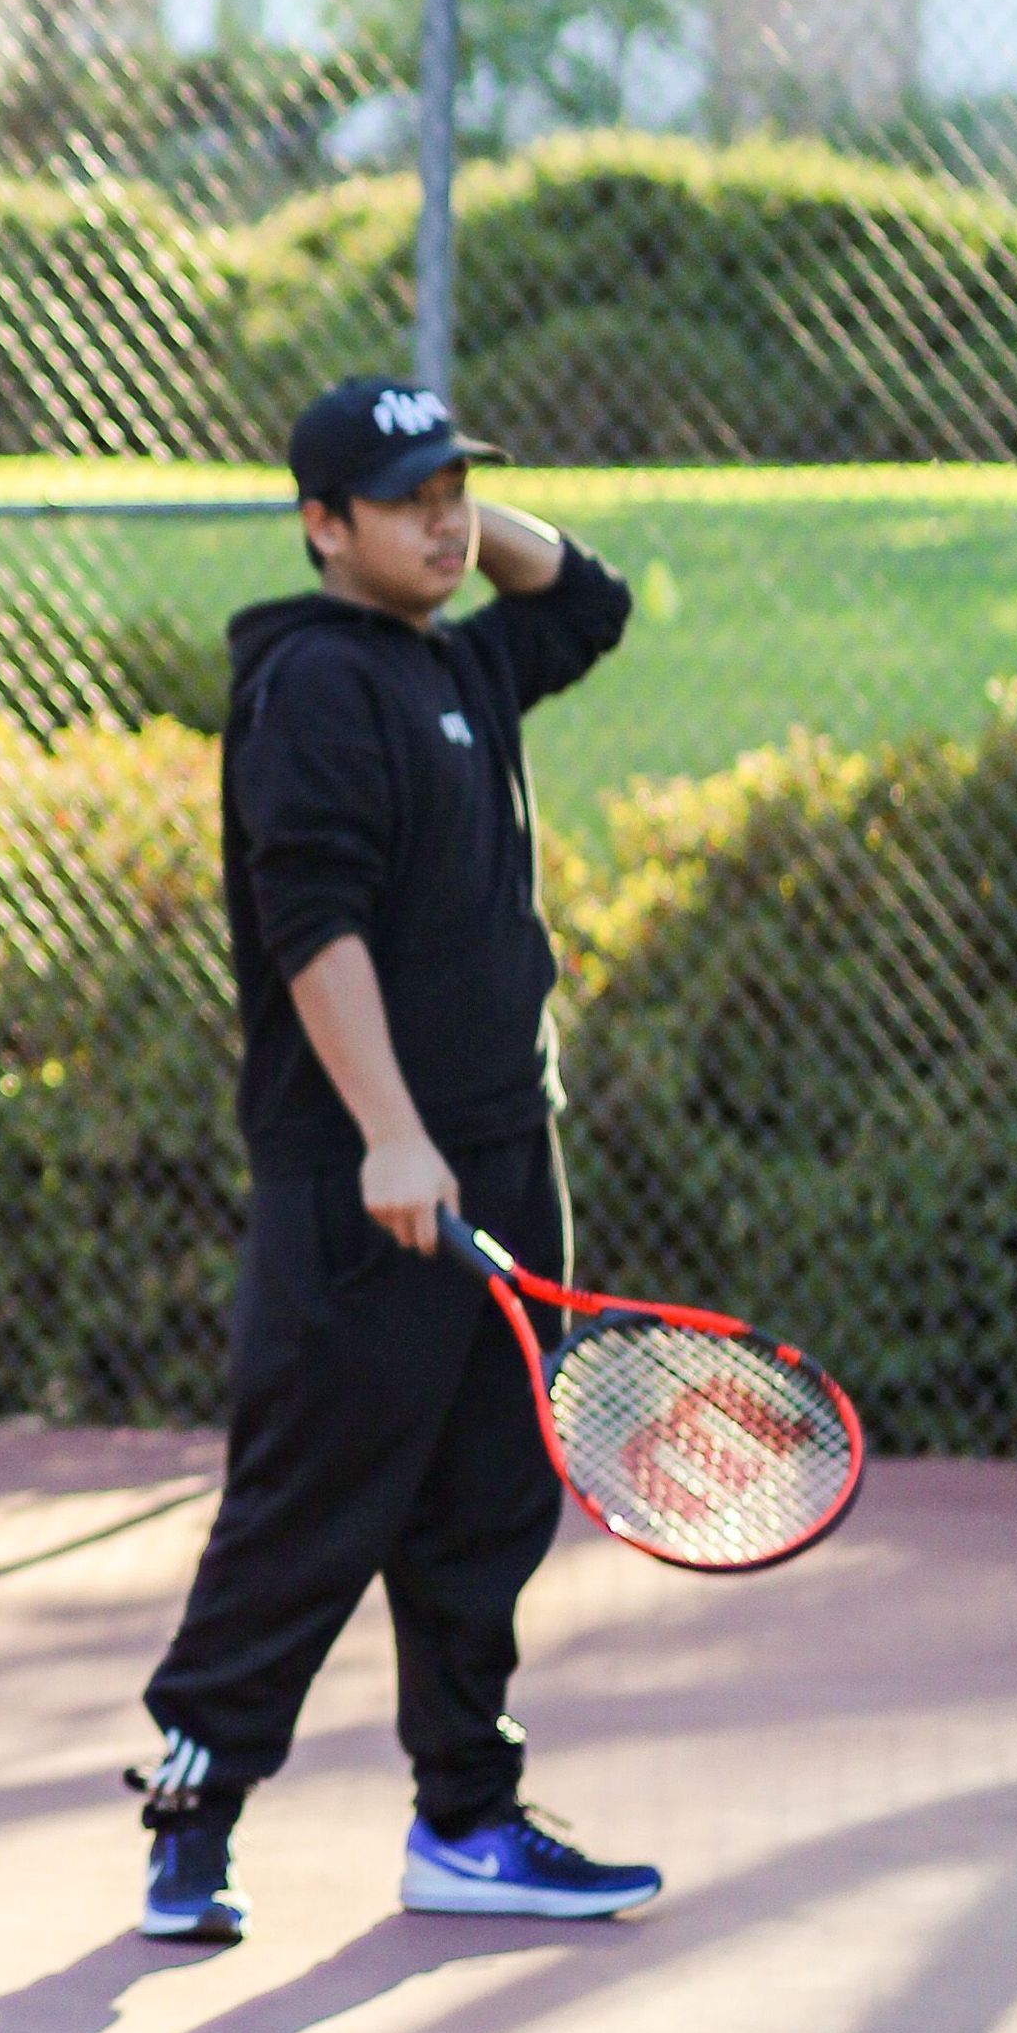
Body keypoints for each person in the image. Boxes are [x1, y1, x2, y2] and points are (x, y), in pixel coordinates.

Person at [131, 371, 660, 1952]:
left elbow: (596, 602)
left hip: (501, 1152)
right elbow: (315, 923)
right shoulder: (310, 689)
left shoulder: (457, 666)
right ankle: (191, 1816)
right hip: (370, 1180)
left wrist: (457, 521)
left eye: (458, 486)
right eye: (408, 494)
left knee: (490, 1502)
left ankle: (467, 1822)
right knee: (313, 1508)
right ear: (318, 526)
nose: (446, 515)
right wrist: (390, 1135)